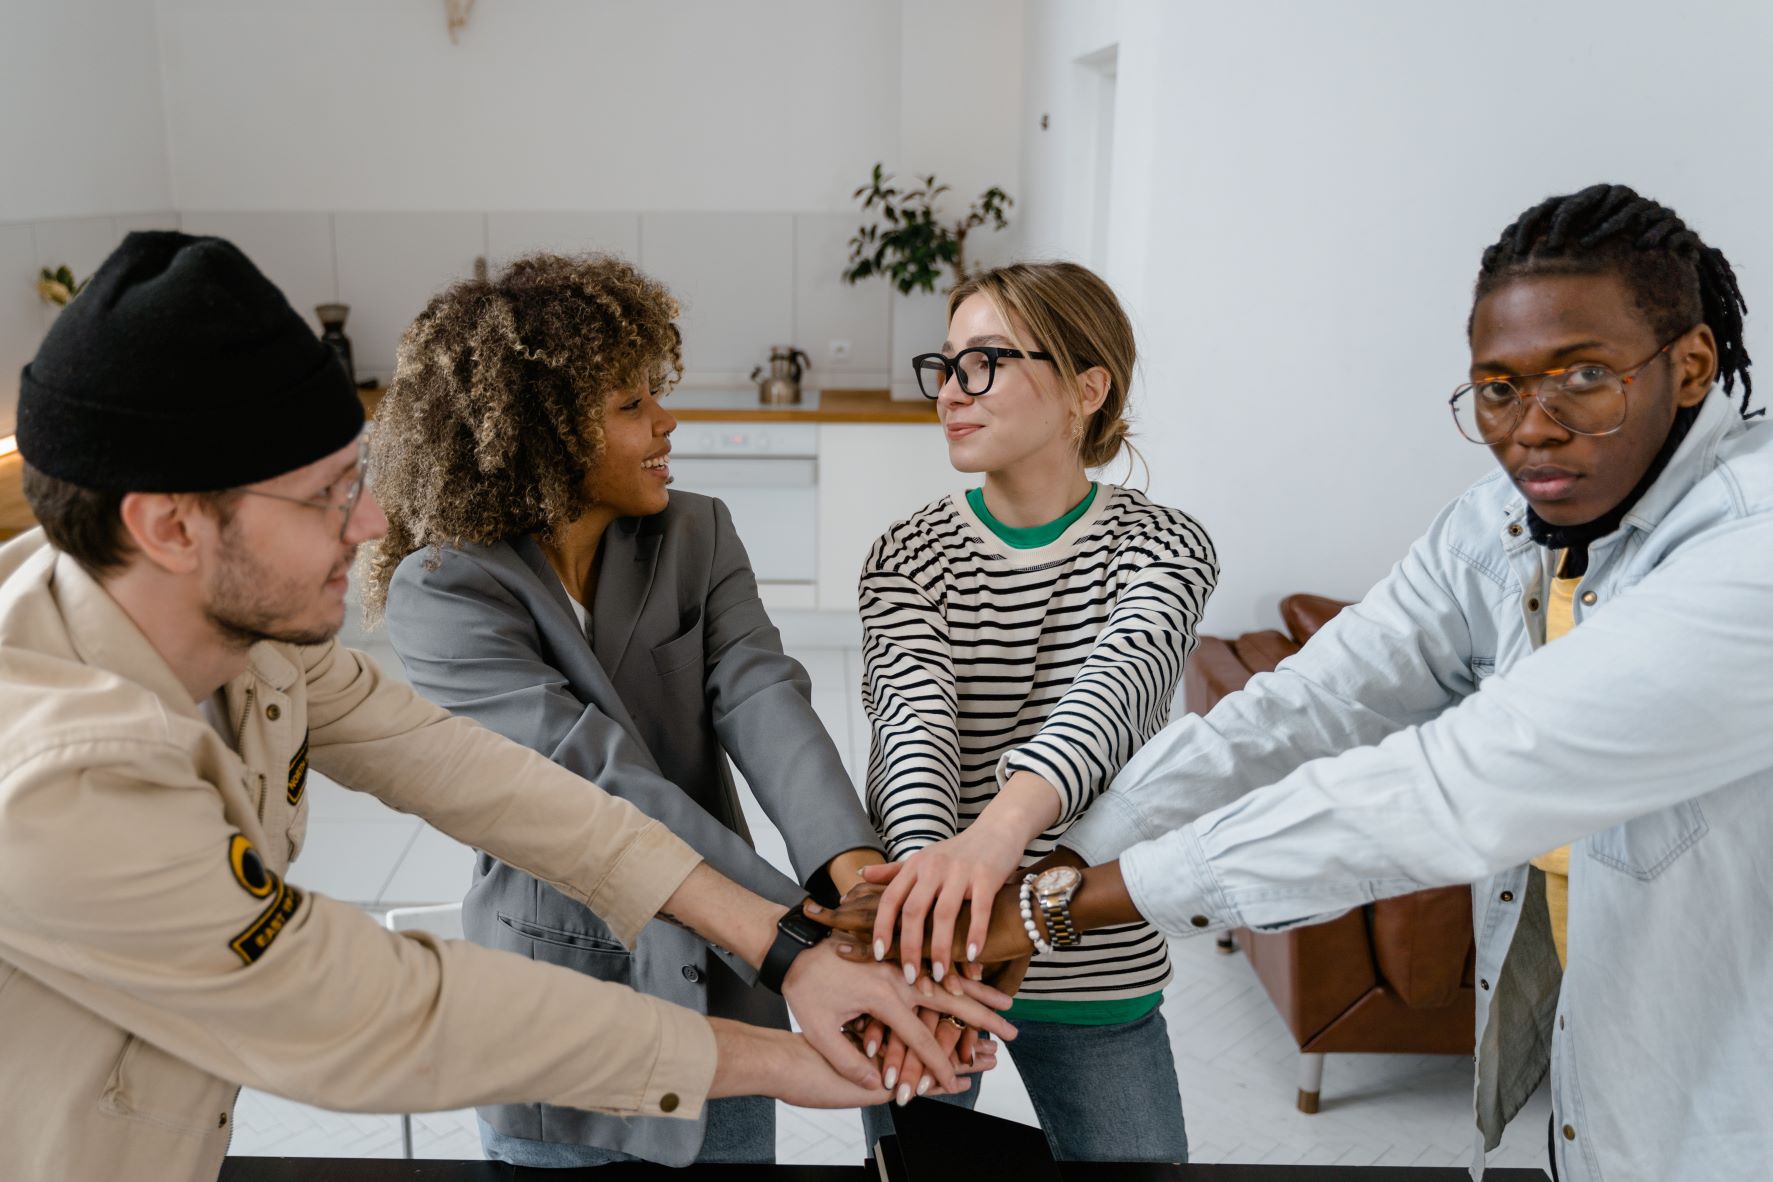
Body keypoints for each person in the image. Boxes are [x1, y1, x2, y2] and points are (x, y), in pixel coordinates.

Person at [0, 232, 1015, 1182]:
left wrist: (792, 944)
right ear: (168, 525)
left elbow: (505, 786)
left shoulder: (259, 652)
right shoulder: (59, 774)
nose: (371, 522)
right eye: (323, 497)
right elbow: (374, 1012)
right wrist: (780, 1056)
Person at [828, 184, 1773, 1182]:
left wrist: (1051, 901)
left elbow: (1446, 793)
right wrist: (1025, 880)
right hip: (1593, 1096)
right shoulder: (1498, 525)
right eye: (1498, 389)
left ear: (1694, 366)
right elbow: (1302, 705)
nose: (1530, 429)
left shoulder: (1749, 550)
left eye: (1581, 377)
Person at [363, 253, 938, 1167]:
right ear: (541, 432)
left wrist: (850, 874)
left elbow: (762, 694)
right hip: (563, 983)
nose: (668, 422)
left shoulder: (695, 532)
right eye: (631, 405)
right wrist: (797, 934)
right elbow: (592, 782)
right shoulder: (444, 592)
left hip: (728, 980)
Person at [853, 261, 1218, 1162]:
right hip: (932, 964)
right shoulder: (906, 555)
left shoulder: (1164, 544)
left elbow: (1116, 692)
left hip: (1093, 957)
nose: (949, 392)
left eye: (984, 363)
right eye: (944, 366)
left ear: (1084, 389)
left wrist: (992, 842)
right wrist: (928, 923)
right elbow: (911, 734)